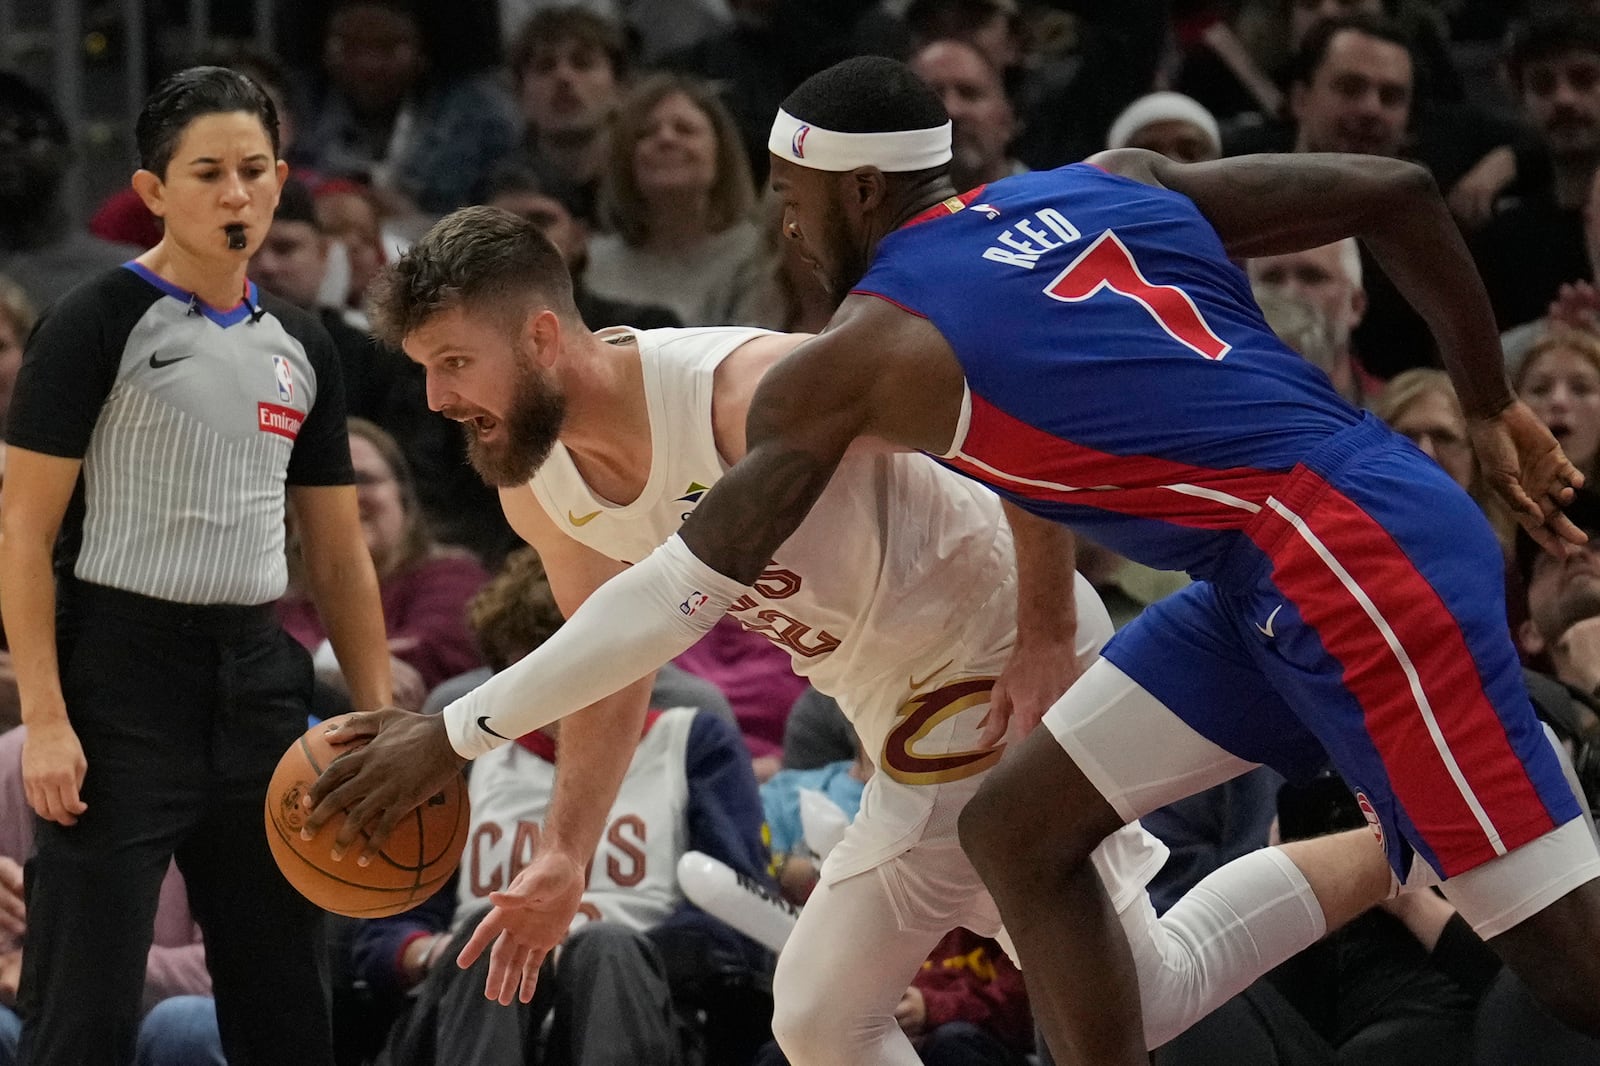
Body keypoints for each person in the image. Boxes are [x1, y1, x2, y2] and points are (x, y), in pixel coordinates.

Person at [311, 56, 1600, 1065]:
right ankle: (1412, 829)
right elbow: (1399, 193)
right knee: (1021, 835)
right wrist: (1485, 405)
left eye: (791, 199)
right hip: (1256, 562)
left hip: (1335, 549)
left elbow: (684, 592)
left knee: (1567, 967)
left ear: (855, 193)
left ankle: (1497, 785)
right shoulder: (1104, 178)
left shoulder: (856, 350)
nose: (788, 230)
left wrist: (460, 729)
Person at [0, 66, 395, 1064]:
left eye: (255, 170)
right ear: (153, 190)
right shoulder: (94, 321)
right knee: (80, 1010)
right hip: (118, 678)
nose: (236, 194)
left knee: (285, 1007)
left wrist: (382, 714)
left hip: (260, 675)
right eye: (208, 171)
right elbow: (20, 530)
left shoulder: (305, 344)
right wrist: (45, 718)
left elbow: (338, 552)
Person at [355, 548, 771, 1066]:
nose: (558, 691)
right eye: (536, 669)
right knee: (493, 938)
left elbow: (741, 920)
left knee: (606, 950)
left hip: (635, 997)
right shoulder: (465, 758)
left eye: (575, 670)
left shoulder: (693, 742)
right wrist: (439, 953)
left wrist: (576, 956)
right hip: (468, 1012)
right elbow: (381, 937)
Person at [278, 418, 489, 706]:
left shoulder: (452, 577)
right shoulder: (276, 594)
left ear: (401, 495)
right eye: (324, 484)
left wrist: (314, 662)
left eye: (362, 479)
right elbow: (253, 660)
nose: (345, 497)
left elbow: (428, 659)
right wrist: (333, 661)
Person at [584, 75, 761, 326]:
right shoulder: (594, 263)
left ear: (722, 155)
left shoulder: (758, 257)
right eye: (645, 133)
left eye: (685, 130)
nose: (666, 139)